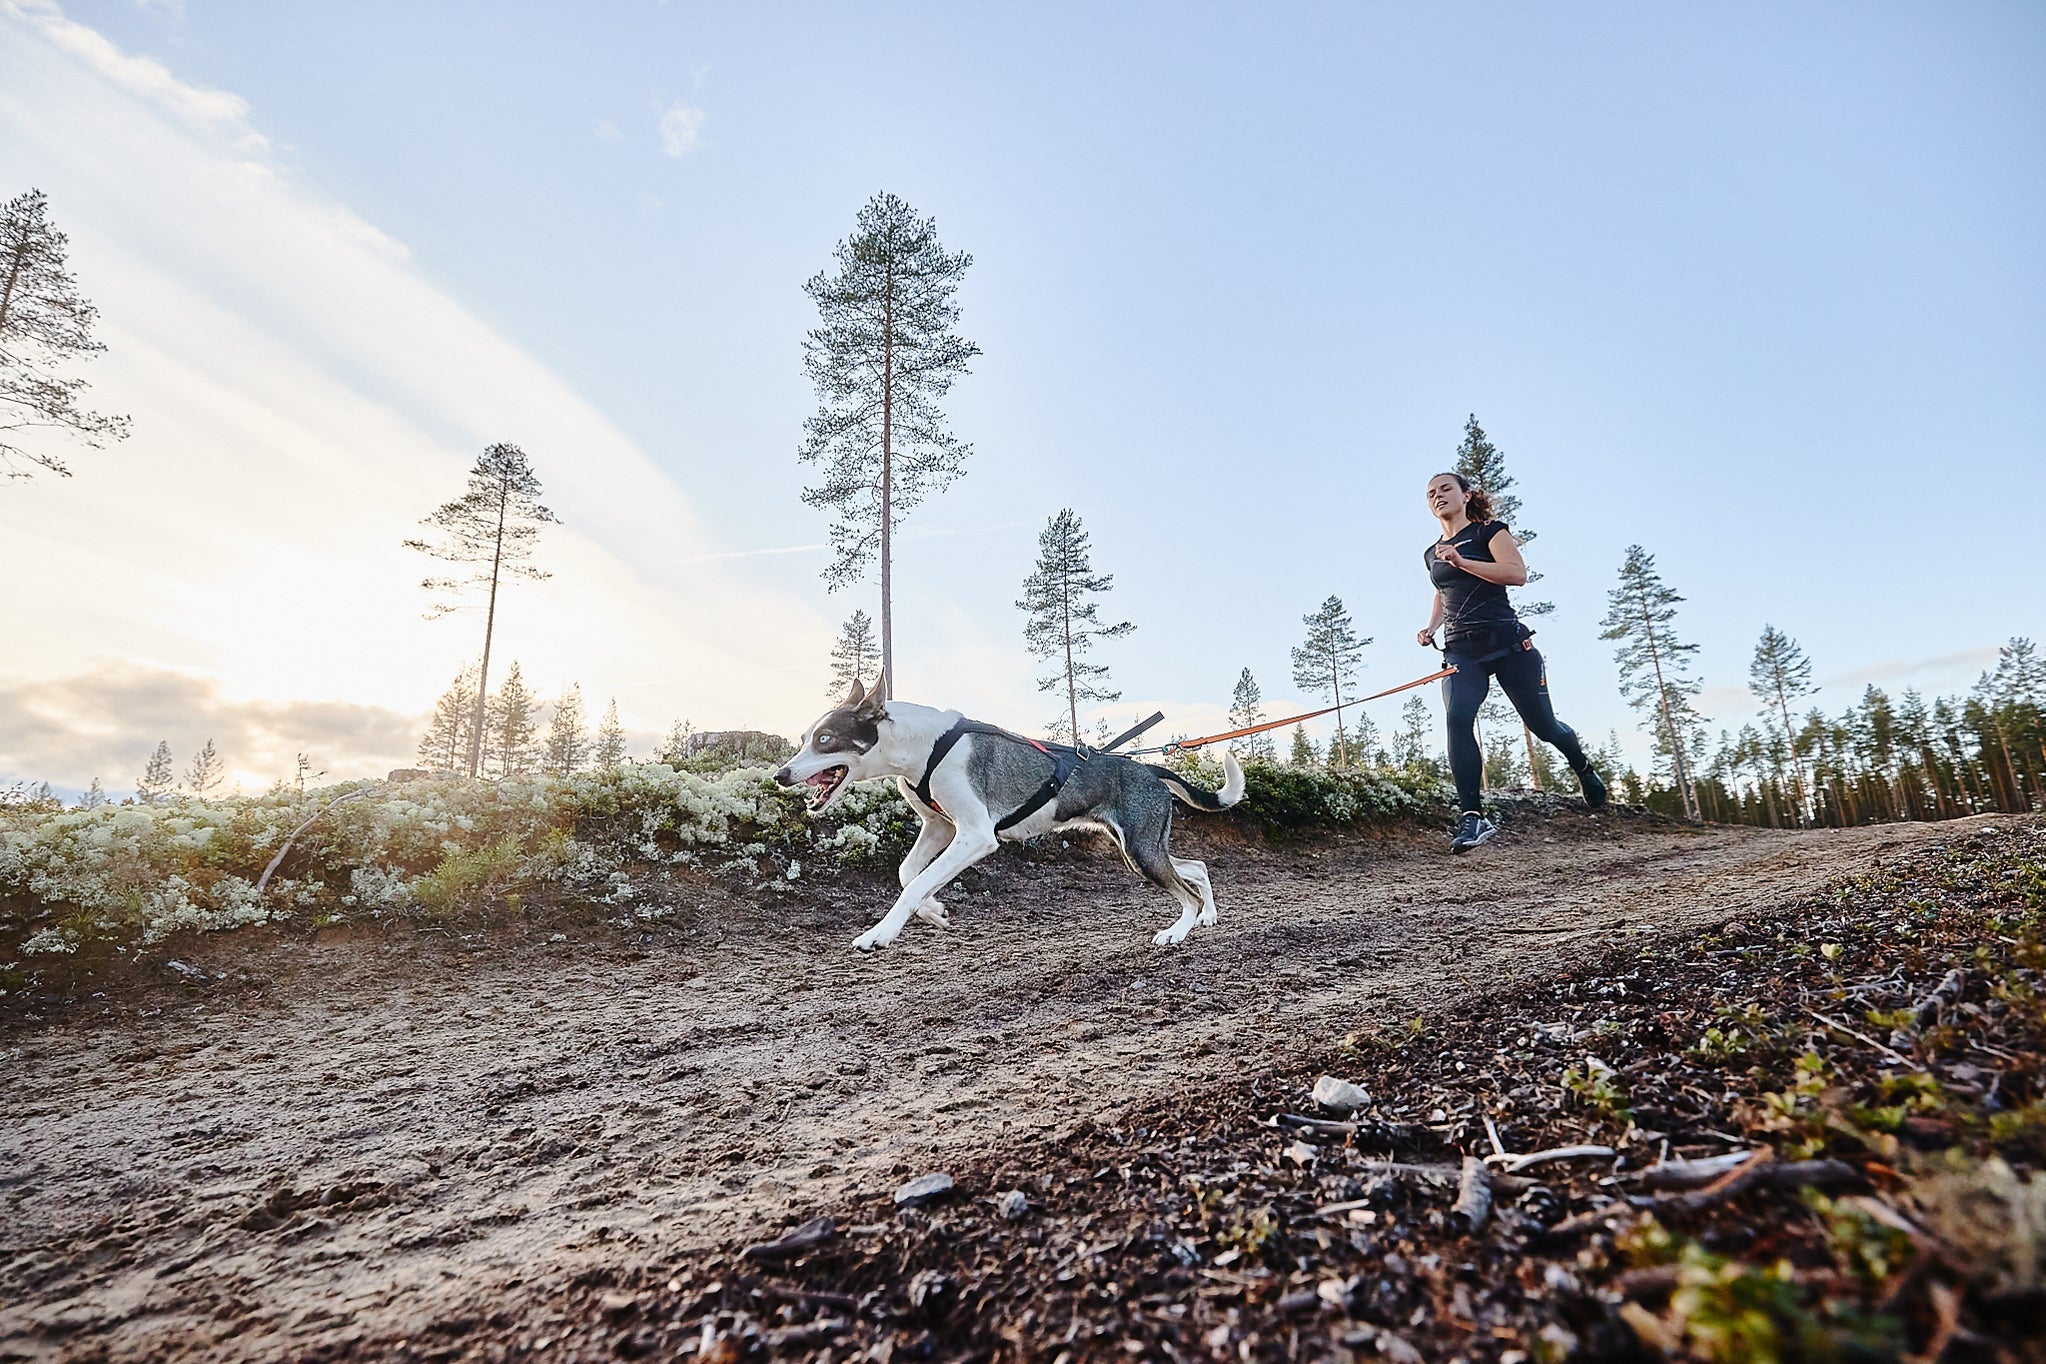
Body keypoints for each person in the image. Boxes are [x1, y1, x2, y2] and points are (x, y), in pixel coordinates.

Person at [1418, 471, 1606, 851]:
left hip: (1508, 646)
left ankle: (1582, 767)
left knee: (1544, 727)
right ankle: (1472, 816)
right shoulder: (1431, 553)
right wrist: (1431, 627)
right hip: (1461, 651)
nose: (1438, 496)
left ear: (1466, 495)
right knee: (1457, 718)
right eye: (1430, 494)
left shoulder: (1489, 532)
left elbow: (1516, 575)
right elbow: (1444, 591)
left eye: (1445, 489)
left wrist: (1461, 560)